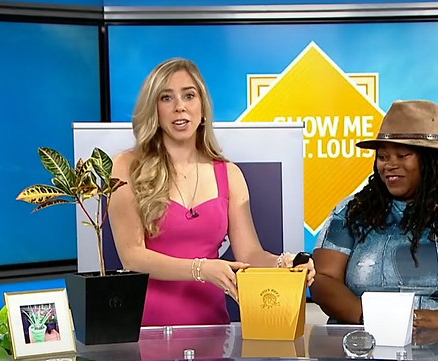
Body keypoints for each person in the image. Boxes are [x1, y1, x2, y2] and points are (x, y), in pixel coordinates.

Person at [108, 58, 315, 327]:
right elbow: (132, 256)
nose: (179, 106)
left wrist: (286, 264)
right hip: (147, 328)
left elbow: (250, 254)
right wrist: (201, 269)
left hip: (211, 328)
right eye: (166, 98)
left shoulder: (229, 174)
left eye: (189, 96)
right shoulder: (126, 167)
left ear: (203, 108)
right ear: (154, 110)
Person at [310, 100, 438, 329]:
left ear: (431, 160)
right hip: (367, 345)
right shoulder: (352, 211)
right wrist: (372, 318)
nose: (389, 165)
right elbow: (322, 278)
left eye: (402, 155)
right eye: (383, 156)